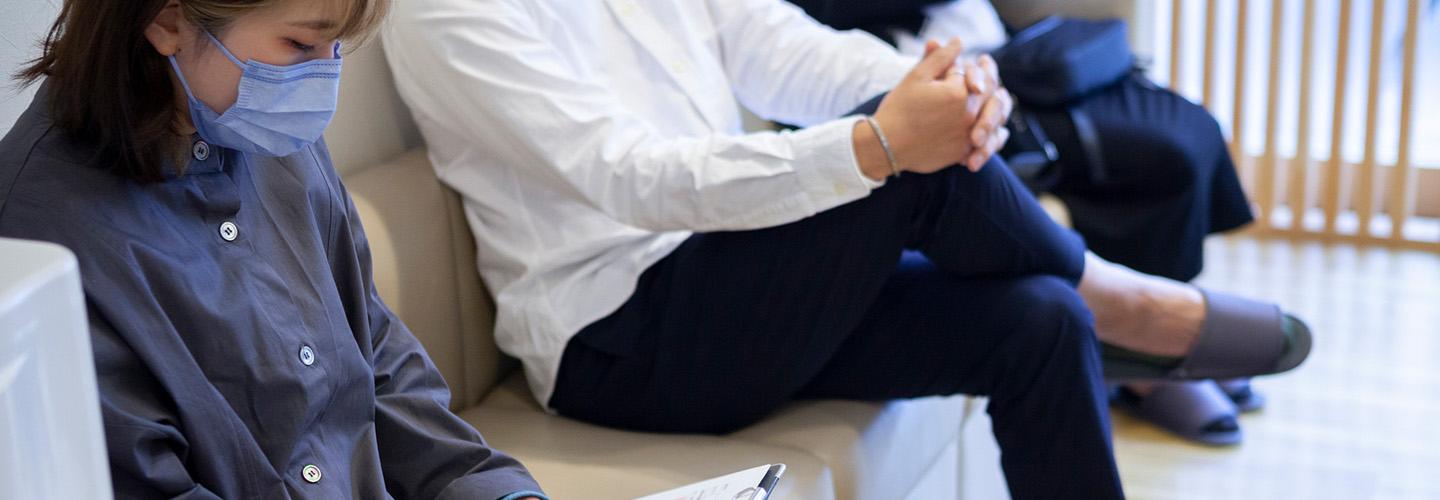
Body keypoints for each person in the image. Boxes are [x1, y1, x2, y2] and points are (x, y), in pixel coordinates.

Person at [382, 0, 1311, 497]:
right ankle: (1130, 302)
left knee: (1041, 319)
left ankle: (1096, 301)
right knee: (910, 165)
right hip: (620, 340)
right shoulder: (441, 9)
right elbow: (631, 173)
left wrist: (938, 82)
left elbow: (785, 46)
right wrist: (882, 141)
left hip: (734, 288)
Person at [0, 0, 544, 498]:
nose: (324, 76)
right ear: (168, 22)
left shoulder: (268, 130)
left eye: (336, 49)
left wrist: (493, 490)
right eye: (302, 47)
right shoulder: (40, 240)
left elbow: (374, 356)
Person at [786, 0, 1266, 446]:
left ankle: (1164, 332)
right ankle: (1144, 349)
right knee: (1162, 156)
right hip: (908, 63)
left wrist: (974, 78)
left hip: (1005, 55)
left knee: (1190, 125)